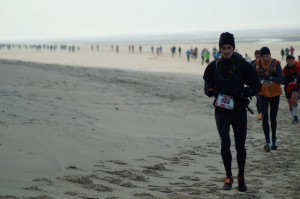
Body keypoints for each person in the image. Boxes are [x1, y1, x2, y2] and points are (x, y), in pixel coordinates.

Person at [203, 32, 261, 192]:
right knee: (225, 143)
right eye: (223, 48)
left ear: (234, 48)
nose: (226, 51)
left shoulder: (242, 65)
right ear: (220, 48)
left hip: (239, 111)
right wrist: (209, 90)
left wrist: (243, 92)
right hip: (221, 110)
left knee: (240, 146)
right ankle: (228, 176)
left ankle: (241, 177)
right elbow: (207, 81)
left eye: (229, 47)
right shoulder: (214, 65)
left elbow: (257, 86)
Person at [256, 47, 284, 151]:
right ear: (260, 57)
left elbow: (282, 80)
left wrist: (271, 78)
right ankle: (267, 141)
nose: (266, 58)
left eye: (267, 56)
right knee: (265, 117)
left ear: (270, 55)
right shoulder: (257, 65)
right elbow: (253, 78)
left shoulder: (276, 63)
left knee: (273, 118)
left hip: (275, 94)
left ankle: (274, 139)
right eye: (263, 57)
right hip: (262, 94)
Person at [282, 55, 300, 123]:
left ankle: (295, 115)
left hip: (295, 87)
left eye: (292, 61)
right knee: (290, 105)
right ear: (286, 61)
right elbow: (282, 81)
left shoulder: (298, 68)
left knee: (294, 101)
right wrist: (289, 80)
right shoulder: (284, 70)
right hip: (287, 88)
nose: (290, 62)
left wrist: (297, 81)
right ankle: (293, 117)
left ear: (294, 61)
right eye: (288, 61)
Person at [250, 50, 262, 120]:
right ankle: (260, 113)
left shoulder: (263, 63)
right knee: (258, 99)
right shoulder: (252, 63)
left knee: (264, 99)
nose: (257, 57)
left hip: (265, 84)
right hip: (256, 84)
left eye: (259, 56)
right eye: (256, 56)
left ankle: (263, 112)